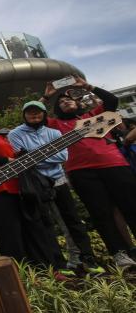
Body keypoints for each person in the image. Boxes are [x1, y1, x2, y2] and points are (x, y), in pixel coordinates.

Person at [0, 106, 67, 275]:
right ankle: (20, 276)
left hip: (16, 187)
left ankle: (45, 272)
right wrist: (8, 160)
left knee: (31, 229)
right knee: (10, 234)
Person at [42, 77, 136, 267]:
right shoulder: (56, 125)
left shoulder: (94, 115)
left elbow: (112, 100)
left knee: (131, 205)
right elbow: (35, 115)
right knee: (101, 213)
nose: (65, 101)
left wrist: (87, 86)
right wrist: (46, 96)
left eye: (69, 99)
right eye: (61, 101)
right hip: (81, 172)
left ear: (78, 103)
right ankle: (119, 253)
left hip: (114, 165)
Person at [8, 101, 103, 274]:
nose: (34, 115)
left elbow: (62, 156)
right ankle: (59, 263)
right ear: (24, 115)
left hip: (58, 180)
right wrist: (41, 155)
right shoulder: (15, 134)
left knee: (72, 220)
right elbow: (23, 160)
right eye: (30, 112)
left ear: (44, 114)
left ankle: (86, 258)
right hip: (36, 183)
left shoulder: (54, 132)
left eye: (38, 112)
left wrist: (35, 156)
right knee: (47, 222)